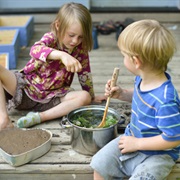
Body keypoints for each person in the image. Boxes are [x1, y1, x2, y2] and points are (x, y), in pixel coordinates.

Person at [90, 19, 180, 180]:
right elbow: (140, 97)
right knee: (99, 164)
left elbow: (172, 138)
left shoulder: (165, 100)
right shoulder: (142, 79)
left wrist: (137, 144)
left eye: (124, 56)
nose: (123, 59)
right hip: (131, 138)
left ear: (136, 61)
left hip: (158, 154)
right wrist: (122, 94)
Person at [0, 2, 105, 130]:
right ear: (58, 26)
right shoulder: (51, 38)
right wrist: (61, 55)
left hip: (53, 99)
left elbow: (85, 74)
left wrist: (92, 96)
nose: (75, 41)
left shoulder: (80, 49)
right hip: (26, 90)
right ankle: (4, 118)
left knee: (85, 97)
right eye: (71, 35)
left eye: (81, 37)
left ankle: (39, 117)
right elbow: (35, 50)